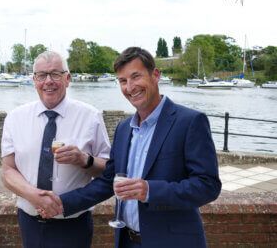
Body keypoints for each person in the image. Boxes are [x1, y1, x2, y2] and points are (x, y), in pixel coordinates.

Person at [49, 47, 221, 248]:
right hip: (126, 241)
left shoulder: (190, 121)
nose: (130, 87)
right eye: (122, 81)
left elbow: (208, 186)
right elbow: (108, 182)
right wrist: (62, 203)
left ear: (155, 75)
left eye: (135, 77)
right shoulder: (123, 128)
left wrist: (149, 190)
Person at [1, 50, 111, 248]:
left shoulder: (91, 116)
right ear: (34, 80)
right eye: (41, 75)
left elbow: (108, 170)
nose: (48, 81)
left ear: (67, 78)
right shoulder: (15, 118)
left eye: (55, 74)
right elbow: (8, 170)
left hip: (74, 224)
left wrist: (84, 159)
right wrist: (34, 196)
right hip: (29, 222)